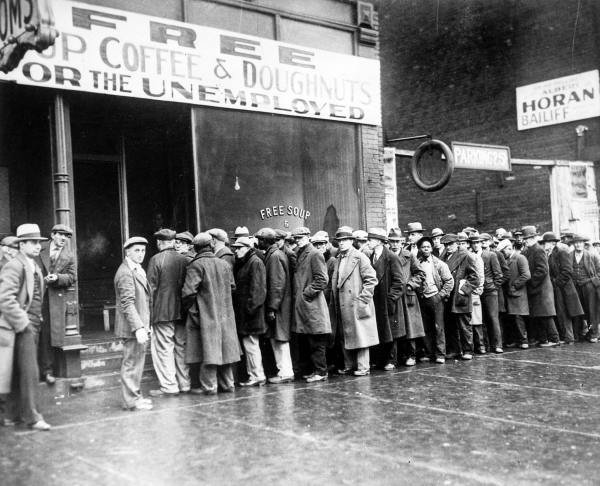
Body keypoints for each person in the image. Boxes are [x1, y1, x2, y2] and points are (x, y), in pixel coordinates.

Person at [0, 224, 51, 430]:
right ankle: (33, 417)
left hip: (32, 323)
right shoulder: (15, 265)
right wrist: (24, 324)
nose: (38, 246)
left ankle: (12, 415)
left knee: (18, 371)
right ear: (21, 244)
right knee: (30, 371)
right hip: (20, 326)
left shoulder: (32, 265)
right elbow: (5, 298)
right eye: (33, 242)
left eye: (39, 242)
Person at [182, 233, 241, 394]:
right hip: (225, 314)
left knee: (207, 349)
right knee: (225, 350)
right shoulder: (223, 264)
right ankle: (228, 384)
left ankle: (210, 386)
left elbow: (188, 293)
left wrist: (190, 309)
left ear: (196, 248)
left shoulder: (196, 265)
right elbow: (232, 287)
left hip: (205, 314)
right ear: (210, 245)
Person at [329, 227, 379, 376]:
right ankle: (349, 364)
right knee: (346, 334)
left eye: (345, 240)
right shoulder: (338, 258)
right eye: (339, 241)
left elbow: (371, 280)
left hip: (356, 302)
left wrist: (362, 300)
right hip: (342, 302)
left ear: (351, 241)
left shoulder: (360, 257)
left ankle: (363, 367)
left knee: (361, 335)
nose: (342, 243)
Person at [146, 229, 191, 397]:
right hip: (182, 312)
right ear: (173, 242)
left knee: (164, 349)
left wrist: (148, 317)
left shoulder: (155, 260)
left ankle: (169, 386)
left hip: (162, 312)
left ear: (159, 243)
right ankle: (185, 383)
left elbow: (151, 290)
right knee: (181, 348)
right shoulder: (185, 259)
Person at [114, 237, 153, 411]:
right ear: (127, 251)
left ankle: (135, 398)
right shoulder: (125, 272)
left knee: (136, 362)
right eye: (136, 250)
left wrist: (146, 325)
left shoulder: (136, 270)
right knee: (131, 363)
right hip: (132, 327)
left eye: (143, 250)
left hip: (138, 325)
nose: (141, 254)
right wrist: (138, 327)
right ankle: (131, 400)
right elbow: (127, 303)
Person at [35, 224, 77, 385]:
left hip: (53, 300)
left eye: (66, 236)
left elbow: (72, 277)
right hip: (35, 295)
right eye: (61, 235)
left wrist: (58, 278)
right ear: (53, 235)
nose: (63, 239)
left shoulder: (69, 255)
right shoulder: (39, 247)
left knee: (48, 335)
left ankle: (47, 371)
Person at [291, 226, 331, 382]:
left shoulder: (314, 254)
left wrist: (306, 293)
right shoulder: (300, 253)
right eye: (295, 238)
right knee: (309, 340)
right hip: (306, 305)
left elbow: (322, 279)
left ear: (308, 237)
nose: (298, 241)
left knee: (316, 340)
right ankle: (316, 370)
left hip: (312, 304)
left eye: (300, 238)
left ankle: (321, 372)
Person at [255, 228, 294, 384]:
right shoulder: (275, 254)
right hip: (279, 305)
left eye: (259, 240)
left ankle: (285, 372)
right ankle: (284, 371)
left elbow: (277, 285)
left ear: (265, 241)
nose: (257, 242)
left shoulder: (274, 257)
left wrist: (272, 308)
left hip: (278, 306)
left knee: (280, 338)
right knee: (278, 337)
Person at [231, 236, 268, 386]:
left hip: (251, 314)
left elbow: (259, 291)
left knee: (251, 345)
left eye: (239, 248)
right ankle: (255, 375)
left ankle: (257, 375)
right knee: (250, 345)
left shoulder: (254, 263)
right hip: (248, 313)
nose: (236, 251)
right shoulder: (248, 262)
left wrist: (249, 309)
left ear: (247, 248)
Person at [366, 228, 403, 370]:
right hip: (376, 300)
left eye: (371, 239)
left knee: (391, 331)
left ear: (380, 241)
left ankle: (391, 360)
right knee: (380, 330)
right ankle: (381, 359)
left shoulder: (391, 257)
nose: (368, 242)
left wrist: (390, 299)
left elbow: (399, 282)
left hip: (387, 301)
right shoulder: (371, 257)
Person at [440, 234, 480, 360]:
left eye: (451, 244)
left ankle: (468, 350)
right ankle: (455, 350)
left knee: (464, 325)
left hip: (460, 296)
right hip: (448, 297)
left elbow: (475, 278)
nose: (448, 247)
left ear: (457, 243)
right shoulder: (443, 257)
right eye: (446, 245)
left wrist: (463, 290)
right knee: (450, 325)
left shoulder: (466, 256)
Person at [520, 226, 560, 347]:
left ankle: (554, 339)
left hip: (541, 288)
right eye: (524, 238)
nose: (525, 241)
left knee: (546, 315)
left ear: (533, 238)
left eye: (527, 238)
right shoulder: (527, 251)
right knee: (538, 315)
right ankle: (543, 339)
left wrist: (531, 283)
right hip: (536, 288)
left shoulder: (538, 250)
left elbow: (542, 270)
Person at [416, 236, 453, 364]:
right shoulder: (417, 263)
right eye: (423, 247)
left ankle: (440, 354)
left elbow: (449, 281)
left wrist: (441, 295)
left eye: (428, 247)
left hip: (435, 298)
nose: (425, 249)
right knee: (426, 328)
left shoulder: (439, 264)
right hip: (422, 298)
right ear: (419, 249)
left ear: (431, 248)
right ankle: (428, 353)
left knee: (439, 327)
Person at [542, 232, 583, 345]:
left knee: (564, 312)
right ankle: (565, 336)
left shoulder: (561, 252)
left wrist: (556, 282)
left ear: (552, 243)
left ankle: (568, 337)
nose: (544, 245)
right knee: (560, 311)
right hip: (557, 287)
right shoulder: (549, 253)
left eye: (546, 242)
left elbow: (567, 271)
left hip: (563, 288)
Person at [395, 229, 426, 366]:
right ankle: (398, 356)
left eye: (397, 241)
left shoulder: (409, 256)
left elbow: (420, 273)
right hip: (395, 296)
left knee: (410, 327)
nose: (395, 244)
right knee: (397, 327)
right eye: (392, 241)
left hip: (408, 296)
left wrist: (411, 285)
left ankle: (411, 355)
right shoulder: (388, 256)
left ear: (402, 242)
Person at [470, 233, 504, 354]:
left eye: (477, 243)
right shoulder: (471, 257)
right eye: (473, 243)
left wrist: (494, 287)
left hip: (489, 291)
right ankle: (486, 345)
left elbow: (499, 274)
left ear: (481, 243)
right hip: (477, 292)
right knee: (481, 319)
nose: (475, 245)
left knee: (493, 317)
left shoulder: (490, 255)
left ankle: (498, 345)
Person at [497, 239, 531, 348]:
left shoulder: (520, 258)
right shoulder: (509, 259)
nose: (502, 254)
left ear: (509, 248)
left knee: (518, 317)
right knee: (513, 318)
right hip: (512, 294)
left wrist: (514, 286)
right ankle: (517, 339)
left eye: (503, 251)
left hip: (518, 294)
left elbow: (526, 275)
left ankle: (524, 340)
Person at [570, 234, 600, 342]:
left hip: (589, 287)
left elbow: (599, 272)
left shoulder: (592, 256)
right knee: (576, 310)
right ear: (573, 244)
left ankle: (593, 334)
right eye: (576, 242)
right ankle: (578, 334)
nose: (578, 244)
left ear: (584, 244)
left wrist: (592, 283)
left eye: (580, 242)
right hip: (574, 286)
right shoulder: (569, 256)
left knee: (591, 309)